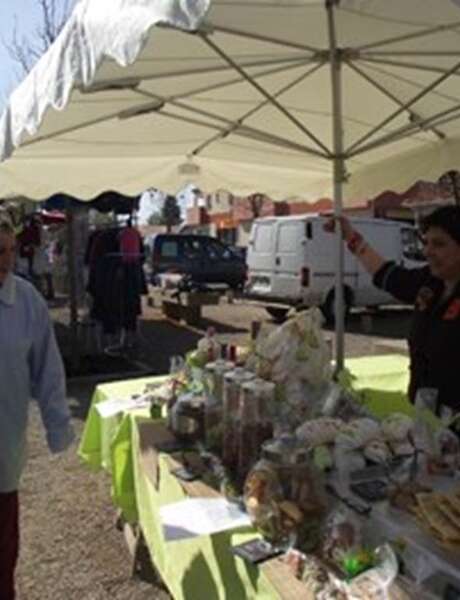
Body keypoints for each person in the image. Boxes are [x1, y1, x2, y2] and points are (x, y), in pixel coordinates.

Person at [0, 217, 74, 600]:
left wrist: (58, 426)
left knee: (2, 557)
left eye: (10, 250)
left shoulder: (26, 300)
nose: (7, 261)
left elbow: (47, 367)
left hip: (3, 448)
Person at [325, 205, 460, 415]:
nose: (427, 252)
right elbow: (386, 275)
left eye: (439, 244)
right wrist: (350, 237)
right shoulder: (430, 282)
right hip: (424, 416)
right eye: (427, 243)